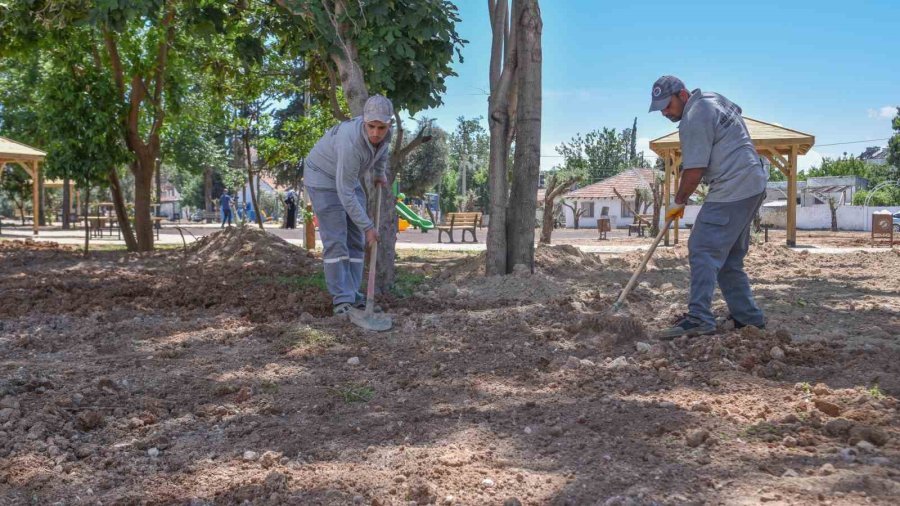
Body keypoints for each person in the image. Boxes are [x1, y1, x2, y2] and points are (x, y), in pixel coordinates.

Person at [648, 75, 767, 339]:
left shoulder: (693, 117)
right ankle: (749, 319)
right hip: (753, 183)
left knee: (702, 248)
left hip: (732, 187)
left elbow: (694, 170)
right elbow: (737, 113)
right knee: (728, 259)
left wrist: (678, 201)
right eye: (660, 109)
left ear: (682, 95)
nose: (665, 112)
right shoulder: (714, 100)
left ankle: (699, 318)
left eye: (667, 105)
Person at [304, 95, 393, 316]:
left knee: (356, 240)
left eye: (381, 128)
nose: (375, 133)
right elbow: (344, 192)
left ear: (388, 125)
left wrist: (379, 173)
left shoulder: (385, 136)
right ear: (364, 121)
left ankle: (353, 294)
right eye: (371, 126)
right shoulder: (351, 142)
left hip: (347, 179)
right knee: (337, 240)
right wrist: (368, 227)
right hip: (322, 178)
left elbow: (382, 152)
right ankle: (342, 300)